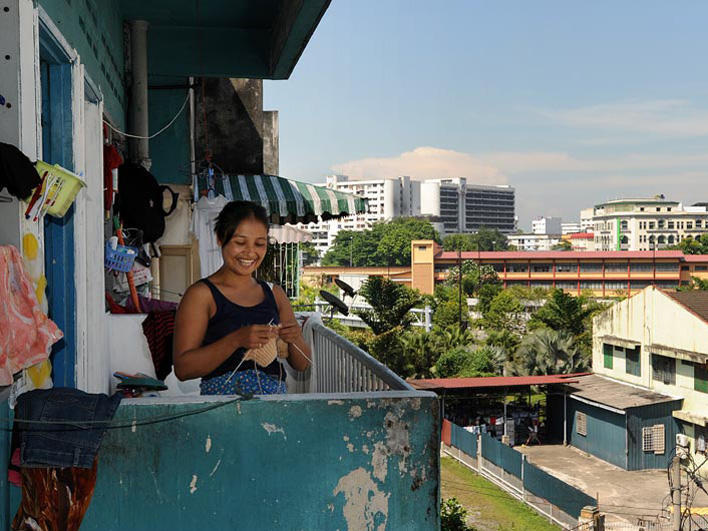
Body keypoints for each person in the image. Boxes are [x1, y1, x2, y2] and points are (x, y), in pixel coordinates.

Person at [173, 201, 311, 395]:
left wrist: (294, 337)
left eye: (260, 244)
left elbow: (303, 365)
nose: (250, 252)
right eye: (240, 242)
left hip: (273, 412)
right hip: (222, 413)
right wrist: (236, 340)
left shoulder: (275, 294)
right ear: (220, 238)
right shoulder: (200, 295)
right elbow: (183, 369)